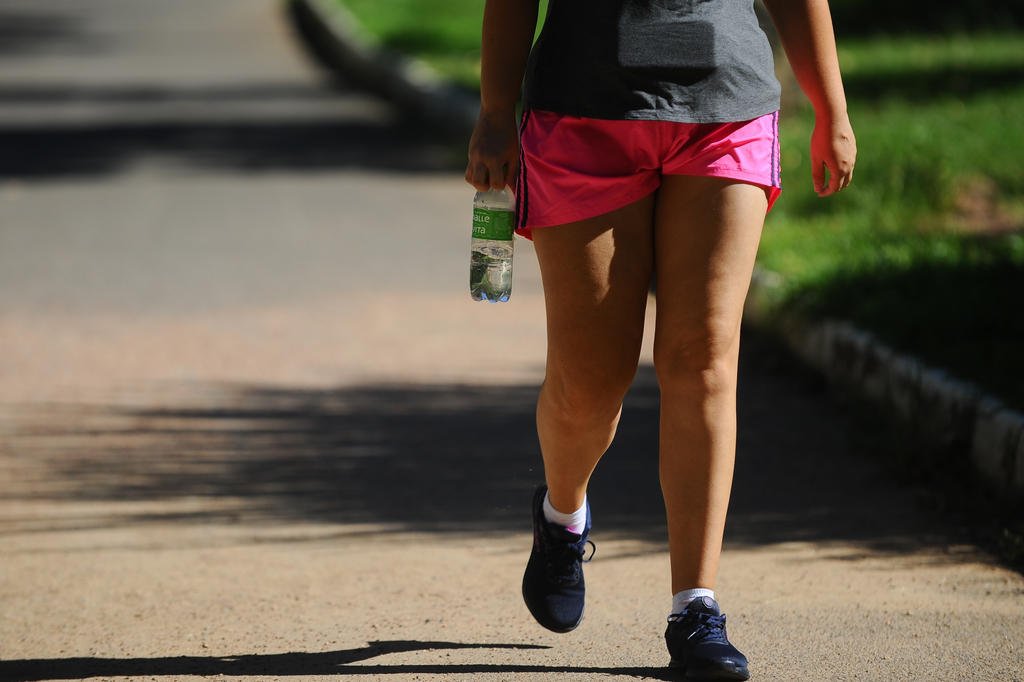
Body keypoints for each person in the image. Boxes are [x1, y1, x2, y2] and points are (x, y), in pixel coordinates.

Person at [465, 0, 855, 678]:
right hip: (580, 113)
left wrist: (832, 107)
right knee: (592, 380)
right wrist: (496, 113)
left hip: (727, 107)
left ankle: (695, 607)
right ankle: (563, 514)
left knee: (703, 359)